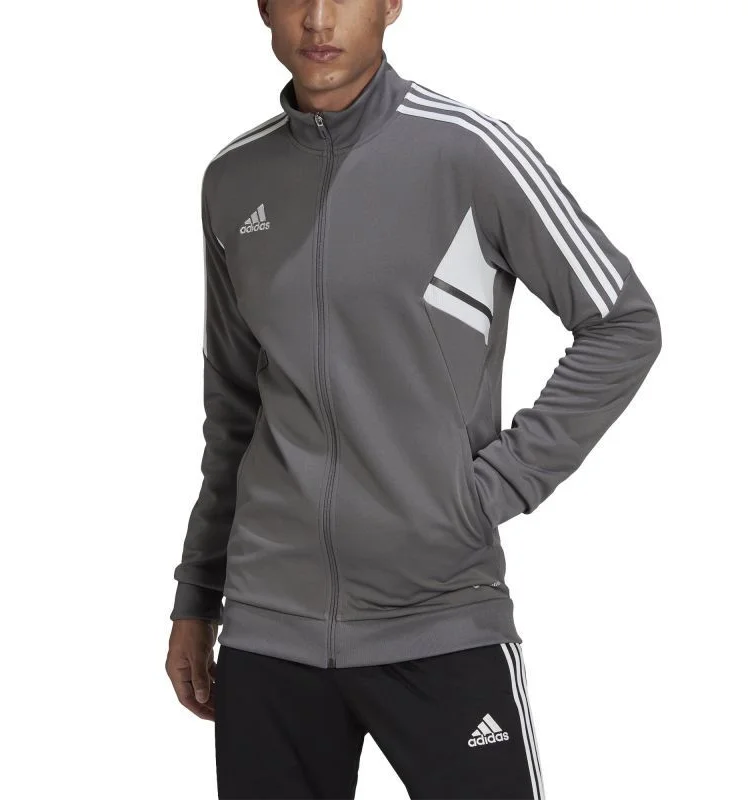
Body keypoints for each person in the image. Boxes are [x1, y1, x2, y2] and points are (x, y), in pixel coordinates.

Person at [165, 1, 662, 797]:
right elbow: (232, 407)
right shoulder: (234, 180)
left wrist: (488, 491)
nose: (318, 19)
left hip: (439, 615)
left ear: (391, 4)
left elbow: (622, 323)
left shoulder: (467, 152)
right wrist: (197, 595)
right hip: (269, 626)